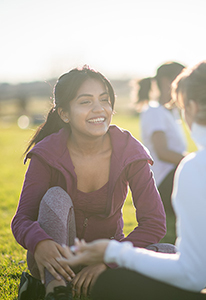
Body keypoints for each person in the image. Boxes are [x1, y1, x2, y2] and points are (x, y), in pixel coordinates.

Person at [59, 59, 206, 300]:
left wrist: (113, 252)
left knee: (112, 283)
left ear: (193, 108)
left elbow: (193, 275)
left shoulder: (200, 168)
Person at [11, 66, 168, 300]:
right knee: (56, 196)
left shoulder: (130, 152)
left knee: (170, 254)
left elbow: (154, 224)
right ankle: (57, 290)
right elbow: (22, 219)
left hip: (106, 256)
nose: (99, 109)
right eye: (85, 102)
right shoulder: (47, 154)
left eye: (104, 100)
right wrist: (40, 243)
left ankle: (59, 289)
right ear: (64, 114)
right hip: (56, 259)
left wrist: (109, 258)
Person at [135, 62, 187, 242]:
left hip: (173, 176)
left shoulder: (169, 112)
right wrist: (194, 161)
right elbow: (162, 151)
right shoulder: (154, 111)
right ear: (167, 82)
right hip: (164, 182)